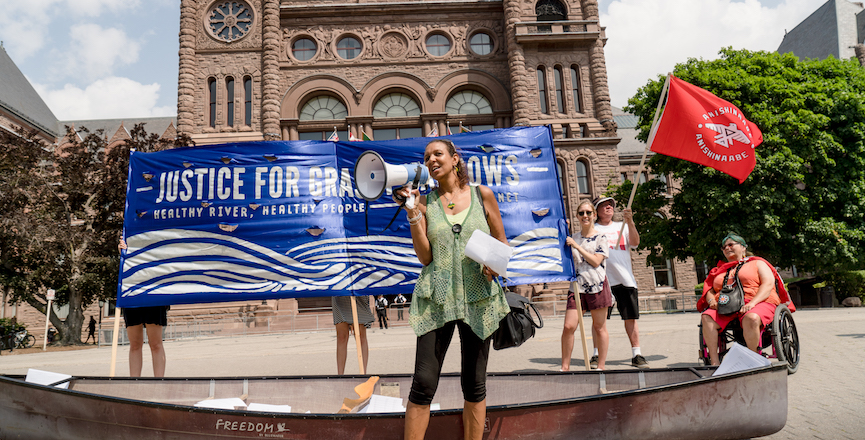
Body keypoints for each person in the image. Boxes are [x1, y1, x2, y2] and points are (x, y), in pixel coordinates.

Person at [397, 139, 510, 440]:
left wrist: (494, 266)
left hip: (479, 297)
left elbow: (501, 243)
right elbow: (425, 257)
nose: (432, 159)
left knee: (474, 384)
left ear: (454, 159)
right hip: (437, 299)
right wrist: (413, 215)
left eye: (438, 154)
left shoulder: (482, 195)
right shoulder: (425, 202)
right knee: (423, 382)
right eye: (427, 157)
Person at [699, 234, 783, 365]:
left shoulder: (758, 263)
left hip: (757, 301)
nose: (727, 248)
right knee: (707, 316)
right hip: (726, 305)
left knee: (752, 317)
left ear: (743, 247)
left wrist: (753, 303)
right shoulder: (720, 270)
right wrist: (712, 301)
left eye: (731, 245)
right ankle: (714, 363)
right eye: (724, 247)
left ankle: (753, 360)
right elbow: (709, 290)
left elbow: (768, 284)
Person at [593, 196, 648, 369]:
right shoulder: (593, 229)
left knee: (630, 318)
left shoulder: (621, 226)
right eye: (604, 205)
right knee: (599, 321)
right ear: (597, 211)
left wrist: (630, 222)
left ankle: (636, 354)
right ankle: (596, 354)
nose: (609, 207)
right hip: (602, 280)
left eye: (611, 205)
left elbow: (635, 243)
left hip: (625, 280)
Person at [561, 200, 611, 371]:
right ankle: (565, 367)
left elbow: (596, 261)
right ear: (577, 216)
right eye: (581, 213)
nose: (585, 216)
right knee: (569, 326)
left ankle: (601, 366)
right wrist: (562, 229)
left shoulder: (601, 237)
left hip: (597, 286)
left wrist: (577, 247)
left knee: (599, 327)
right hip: (577, 288)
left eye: (588, 213)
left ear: (594, 215)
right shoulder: (572, 237)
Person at [119, 239, 168, 377]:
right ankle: (134, 383)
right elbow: (125, 267)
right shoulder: (127, 233)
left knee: (156, 344)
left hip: (154, 293)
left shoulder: (156, 233)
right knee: (135, 344)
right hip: (132, 293)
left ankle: (159, 383)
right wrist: (123, 253)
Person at [332, 295, 375, 375]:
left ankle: (363, 373)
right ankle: (340, 375)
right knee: (341, 337)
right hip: (341, 290)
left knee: (360, 335)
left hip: (357, 292)